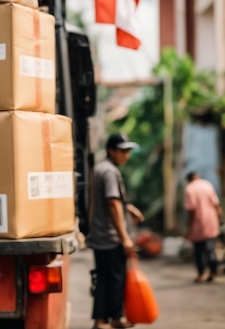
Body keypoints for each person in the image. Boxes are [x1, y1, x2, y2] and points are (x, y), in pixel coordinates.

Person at [87, 133, 144, 329]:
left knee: (104, 278)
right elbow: (112, 203)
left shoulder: (100, 169)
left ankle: (102, 320)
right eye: (122, 151)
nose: (126, 156)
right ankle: (114, 318)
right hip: (110, 237)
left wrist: (128, 207)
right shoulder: (110, 172)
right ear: (111, 151)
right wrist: (125, 237)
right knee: (115, 279)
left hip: (100, 235)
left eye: (128, 151)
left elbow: (113, 200)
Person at [183, 171, 223, 283]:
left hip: (197, 224)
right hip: (211, 222)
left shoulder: (189, 188)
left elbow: (191, 210)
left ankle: (201, 274)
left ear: (189, 179)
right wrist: (219, 216)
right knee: (210, 249)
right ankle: (213, 272)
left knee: (199, 251)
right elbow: (216, 203)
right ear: (197, 177)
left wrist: (189, 226)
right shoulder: (207, 184)